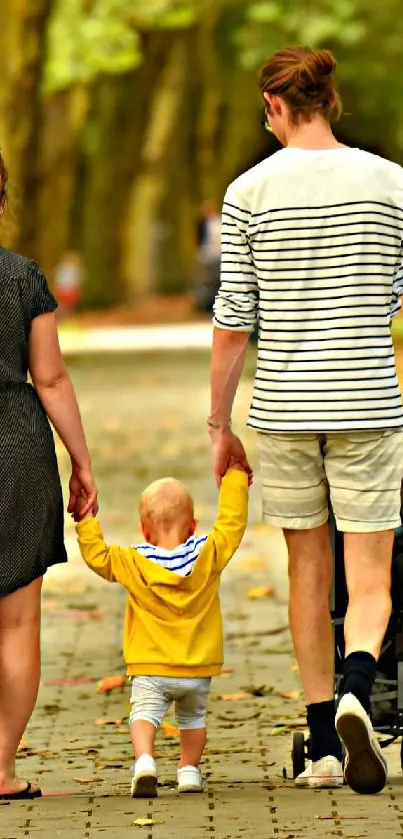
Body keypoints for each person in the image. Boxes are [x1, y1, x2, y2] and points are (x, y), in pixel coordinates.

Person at [208, 45, 403, 795]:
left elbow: (233, 320)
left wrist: (217, 419)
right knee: (370, 570)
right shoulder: (390, 183)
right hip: (366, 402)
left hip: (284, 408)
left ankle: (322, 740)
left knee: (304, 568)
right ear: (331, 101)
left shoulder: (247, 191)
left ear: (273, 108)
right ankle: (360, 682)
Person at [0, 152, 98, 800]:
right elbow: (51, 376)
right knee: (16, 622)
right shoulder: (23, 277)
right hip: (16, 449)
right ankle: (1, 767)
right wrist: (82, 462)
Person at [75, 466, 248, 797]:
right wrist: (235, 479)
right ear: (193, 526)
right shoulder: (208, 554)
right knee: (193, 719)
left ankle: (144, 762)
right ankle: (189, 771)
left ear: (144, 530)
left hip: (150, 668)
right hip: (197, 668)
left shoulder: (132, 561)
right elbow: (232, 526)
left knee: (143, 715)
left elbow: (98, 557)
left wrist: (86, 520)